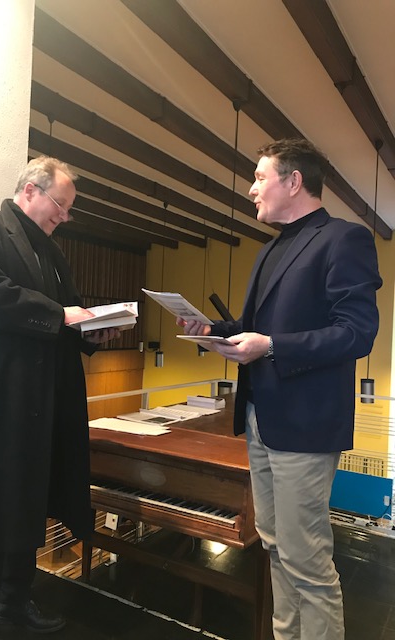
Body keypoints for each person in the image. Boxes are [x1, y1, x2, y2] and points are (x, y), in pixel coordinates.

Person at [178, 138, 382, 640]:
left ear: (294, 182)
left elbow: (356, 333)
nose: (251, 189)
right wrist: (212, 330)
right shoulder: (270, 249)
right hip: (260, 418)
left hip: (304, 424)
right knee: (273, 545)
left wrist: (270, 346)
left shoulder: (344, 239)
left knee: (306, 557)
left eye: (259, 178)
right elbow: (256, 328)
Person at [0, 156, 118, 640]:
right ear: (30, 190)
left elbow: (64, 317)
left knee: (30, 499)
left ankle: (15, 601)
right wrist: (64, 317)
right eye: (60, 205)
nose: (64, 216)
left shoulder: (52, 254)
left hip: (45, 398)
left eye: (68, 210)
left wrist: (91, 332)